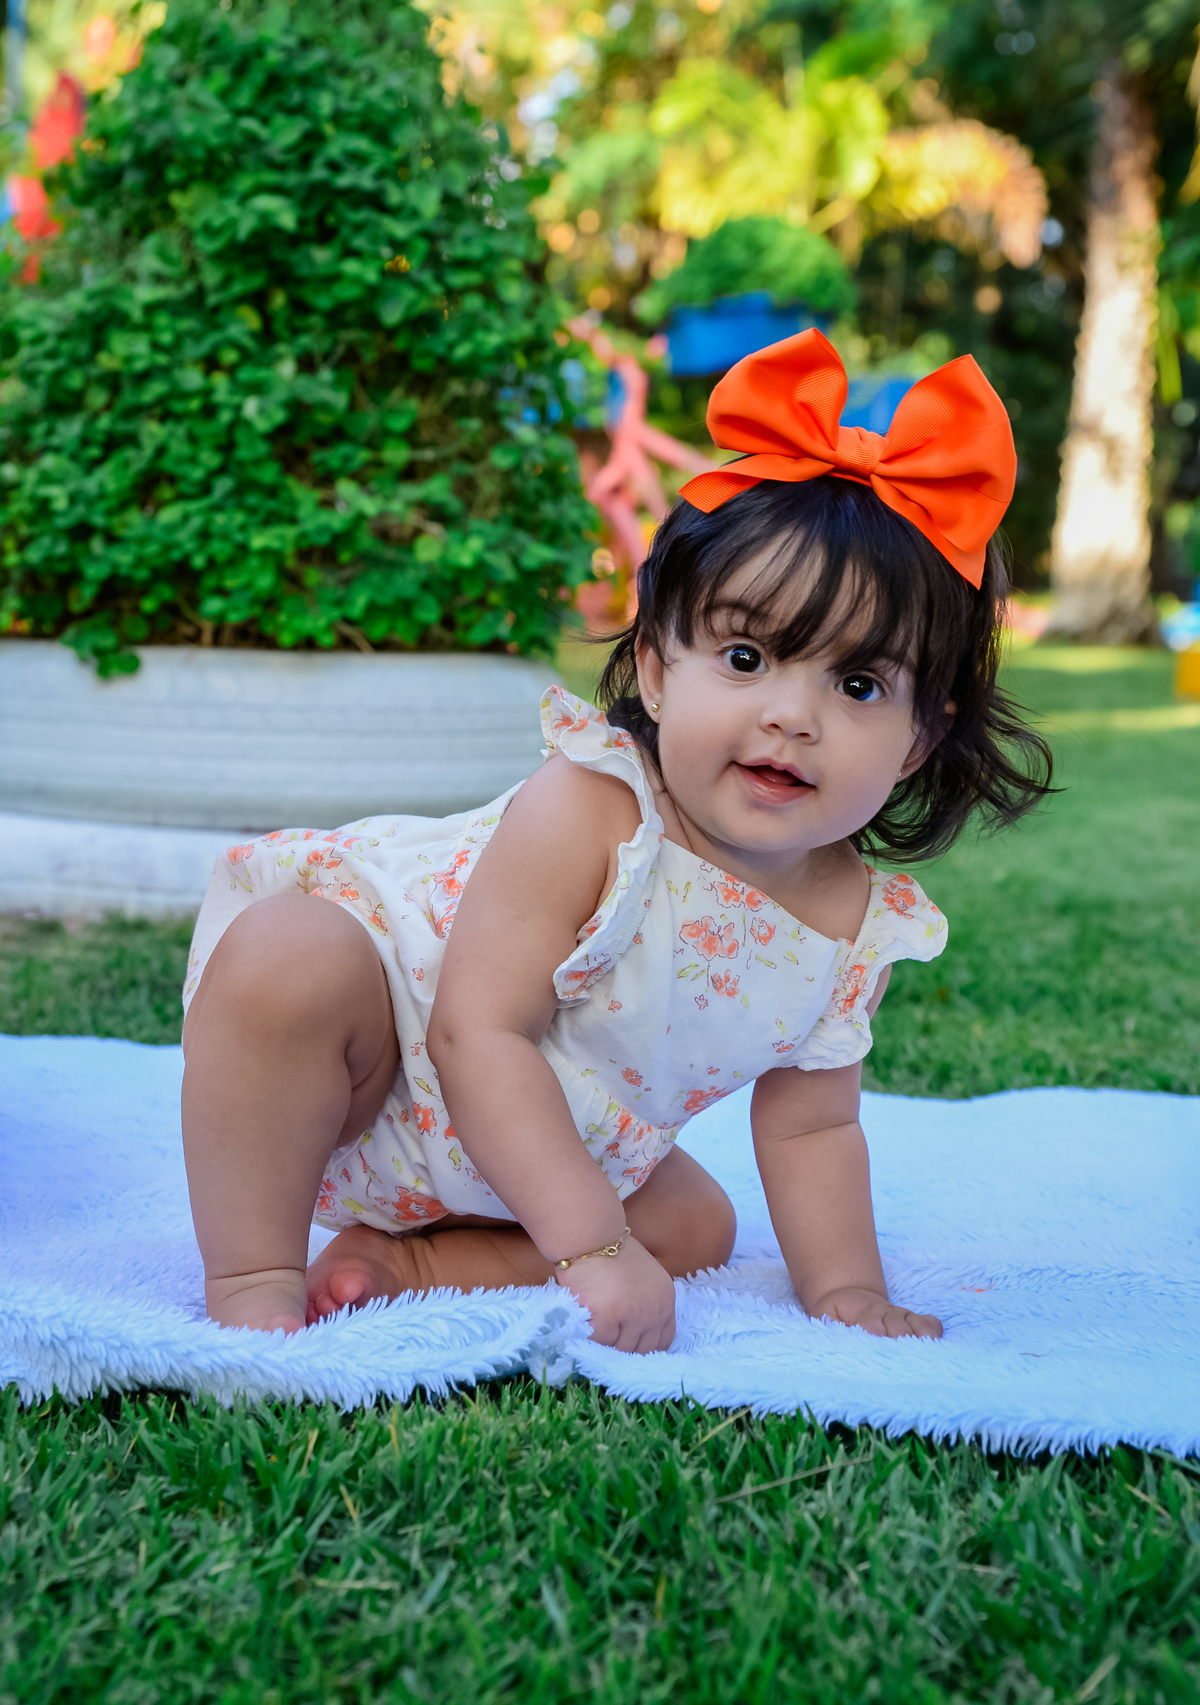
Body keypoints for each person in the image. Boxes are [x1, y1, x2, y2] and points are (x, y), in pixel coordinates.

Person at [180, 329, 1052, 1349]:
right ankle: (255, 1274)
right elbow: (475, 1031)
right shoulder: (596, 807)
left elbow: (812, 1124)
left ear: (920, 740)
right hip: (381, 1070)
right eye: (746, 656)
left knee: (697, 1224)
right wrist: (594, 1244)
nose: (791, 715)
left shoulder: (852, 929)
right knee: (290, 955)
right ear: (654, 668)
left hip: (550, 1145)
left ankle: (411, 1262)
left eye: (858, 684)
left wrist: (848, 1289)